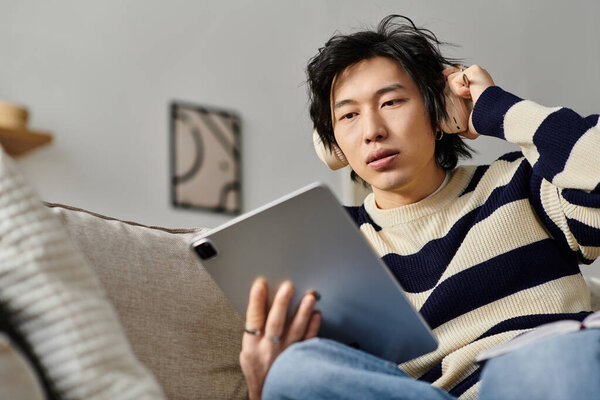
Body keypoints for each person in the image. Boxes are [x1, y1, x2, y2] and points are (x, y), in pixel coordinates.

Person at [239, 15, 600, 400]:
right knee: (297, 367)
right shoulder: (331, 245)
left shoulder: (523, 184)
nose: (372, 130)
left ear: (439, 110)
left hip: (536, 375)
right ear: (332, 145)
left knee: (552, 359)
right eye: (348, 115)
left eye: (391, 102)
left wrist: (495, 108)